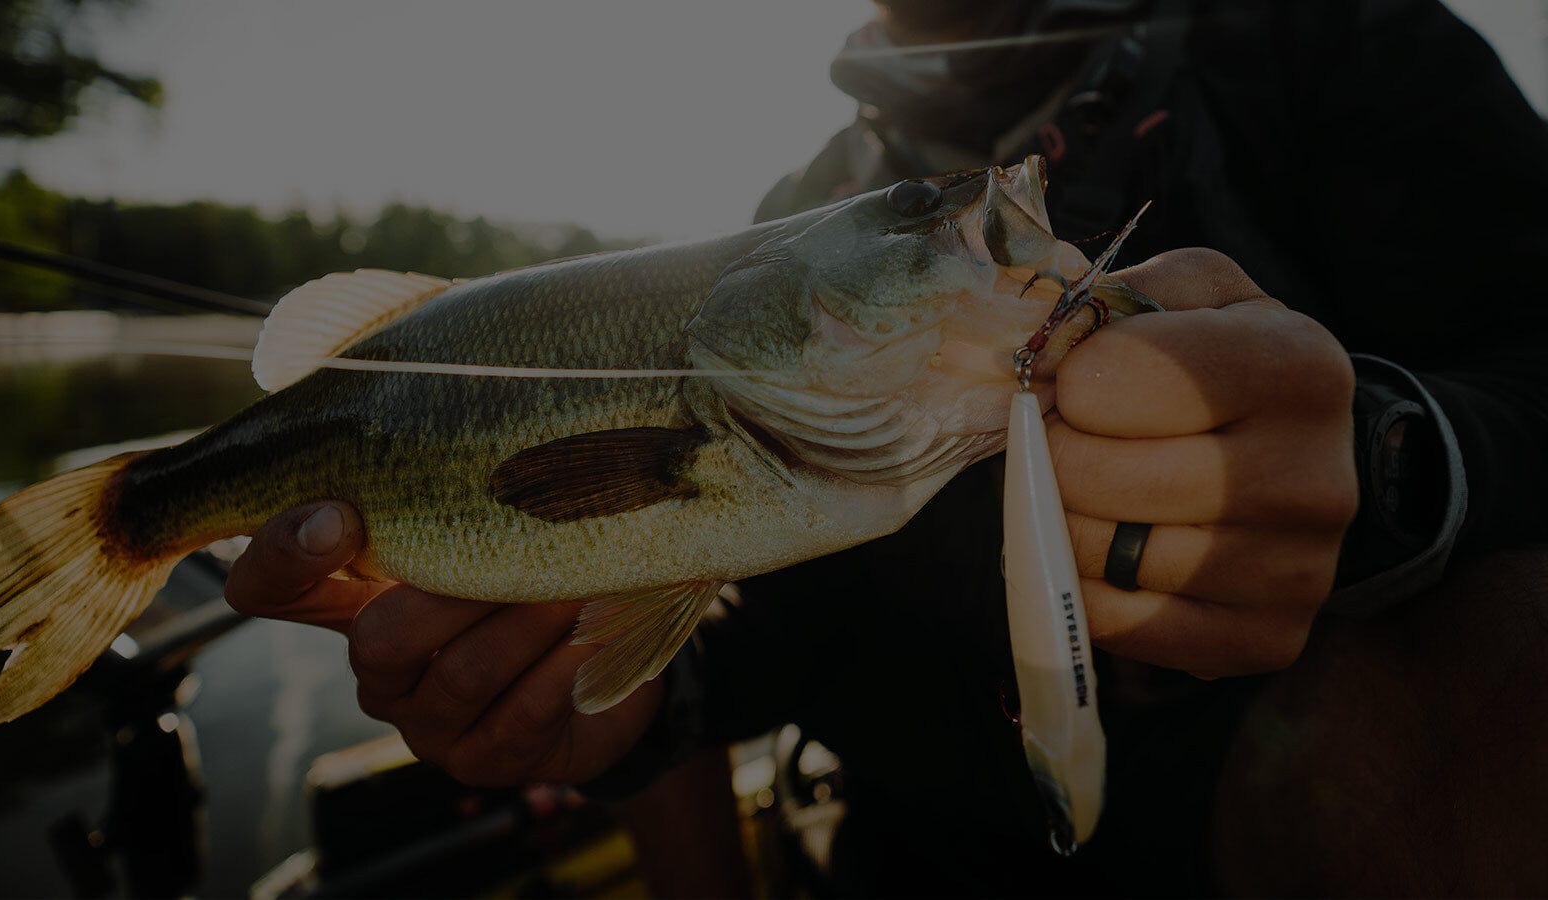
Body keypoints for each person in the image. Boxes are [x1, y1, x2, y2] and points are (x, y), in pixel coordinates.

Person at [225, 0, 1548, 894]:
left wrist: (1403, 460)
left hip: (1274, 811)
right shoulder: (801, 207)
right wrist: (635, 704)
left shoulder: (1332, 40)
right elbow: (779, 611)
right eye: (920, 211)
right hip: (894, 836)